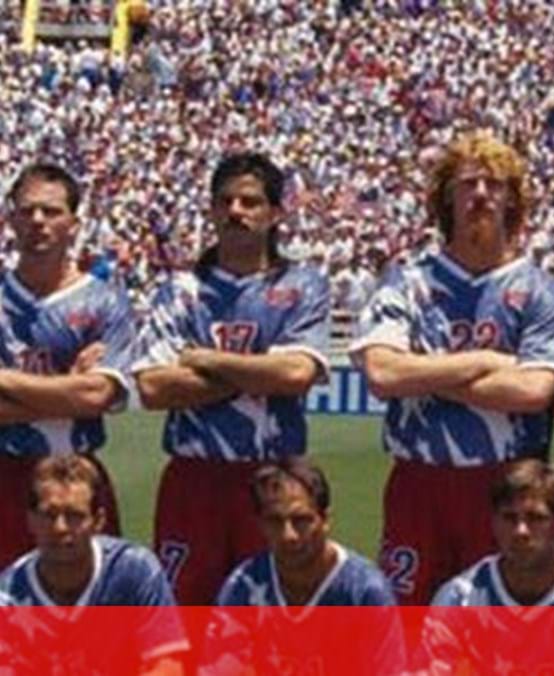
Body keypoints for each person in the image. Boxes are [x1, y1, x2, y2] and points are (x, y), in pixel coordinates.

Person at [351, 130, 554, 604]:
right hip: (418, 483)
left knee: (499, 621)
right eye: (467, 184)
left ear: (513, 201)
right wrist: (486, 362)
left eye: (494, 185)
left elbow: (534, 390)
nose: (480, 195)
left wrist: (426, 374)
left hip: (507, 486)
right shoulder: (406, 283)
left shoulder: (543, 292)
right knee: (407, 622)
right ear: (444, 199)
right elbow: (384, 376)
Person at [131, 152, 331, 605]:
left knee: (275, 615)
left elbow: (297, 373)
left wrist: (204, 359)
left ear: (276, 212)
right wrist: (259, 371)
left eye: (250, 202)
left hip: (273, 476)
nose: (235, 212)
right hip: (193, 479)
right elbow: (154, 388)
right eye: (225, 201)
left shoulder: (302, 285)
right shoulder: (182, 290)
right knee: (186, 612)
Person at [0, 163, 135, 569]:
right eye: (27, 211)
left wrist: (7, 381)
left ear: (74, 223)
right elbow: (82, 395)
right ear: (11, 219)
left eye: (51, 211)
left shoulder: (104, 301)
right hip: (5, 472)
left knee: (90, 610)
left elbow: (98, 396)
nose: (38, 221)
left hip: (79, 475)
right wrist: (69, 389)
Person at [419, 459, 554, 674]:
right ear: (494, 523)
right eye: (509, 518)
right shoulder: (460, 597)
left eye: (535, 518)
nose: (521, 531)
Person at [205, 458, 405, 674]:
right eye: (275, 521)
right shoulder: (243, 587)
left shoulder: (364, 592)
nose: (288, 535)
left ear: (325, 520)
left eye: (300, 520)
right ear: (260, 525)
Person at [0, 455, 188, 675]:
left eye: (74, 516)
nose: (60, 528)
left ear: (98, 521)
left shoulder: (133, 571)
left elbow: (168, 664)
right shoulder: (8, 596)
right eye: (49, 515)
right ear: (30, 520)